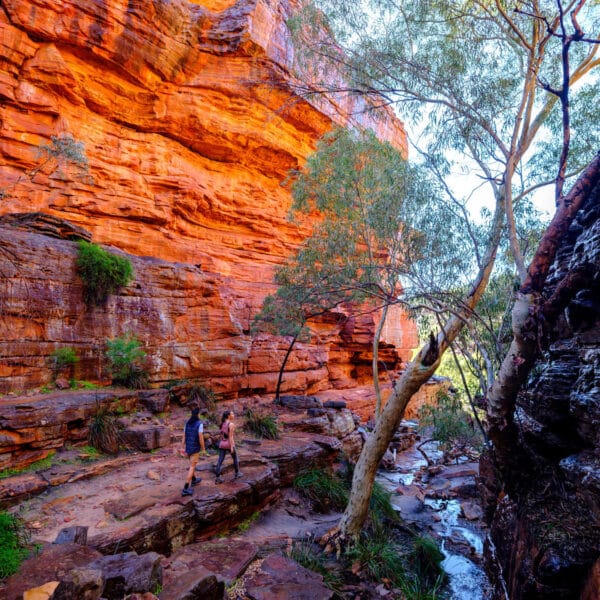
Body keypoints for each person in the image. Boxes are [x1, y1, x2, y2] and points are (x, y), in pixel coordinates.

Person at [180, 404, 206, 496]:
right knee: (192, 466)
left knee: (192, 464)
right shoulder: (199, 424)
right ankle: (186, 488)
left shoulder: (187, 423)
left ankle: (194, 479)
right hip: (195, 448)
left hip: (188, 448)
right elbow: (201, 437)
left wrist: (182, 447)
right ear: (197, 414)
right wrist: (203, 449)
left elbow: (184, 435)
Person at [215, 410, 242, 484]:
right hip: (228, 444)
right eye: (232, 414)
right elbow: (230, 437)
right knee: (235, 458)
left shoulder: (222, 424)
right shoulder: (231, 424)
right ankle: (237, 473)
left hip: (222, 443)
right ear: (228, 416)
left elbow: (222, 435)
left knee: (220, 461)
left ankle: (217, 478)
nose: (233, 415)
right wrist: (232, 447)